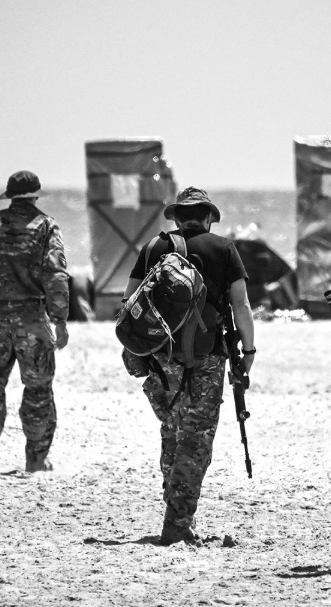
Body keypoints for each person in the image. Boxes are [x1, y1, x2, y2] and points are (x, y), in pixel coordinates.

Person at [123, 187, 255, 545]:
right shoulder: (224, 248)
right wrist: (249, 348)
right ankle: (178, 520)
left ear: (177, 217)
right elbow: (240, 305)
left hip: (161, 355)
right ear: (209, 216)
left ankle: (175, 503)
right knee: (196, 439)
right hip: (208, 355)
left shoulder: (153, 248)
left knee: (172, 429)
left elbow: (129, 300)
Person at [0, 171, 69, 475]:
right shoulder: (46, 227)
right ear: (35, 197)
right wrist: (60, 320)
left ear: (10, 196)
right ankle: (35, 458)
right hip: (32, 318)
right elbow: (56, 276)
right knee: (37, 389)